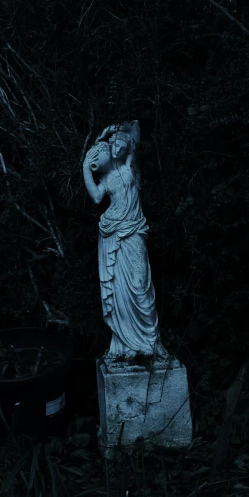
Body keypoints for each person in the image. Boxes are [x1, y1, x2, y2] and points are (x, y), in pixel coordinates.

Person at [83, 122, 169, 359]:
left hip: (133, 231)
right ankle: (125, 344)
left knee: (140, 284)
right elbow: (96, 197)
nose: (118, 150)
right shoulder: (106, 177)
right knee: (119, 289)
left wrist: (113, 129)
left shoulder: (131, 167)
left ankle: (152, 341)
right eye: (114, 147)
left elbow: (136, 130)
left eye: (122, 147)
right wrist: (84, 166)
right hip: (112, 232)